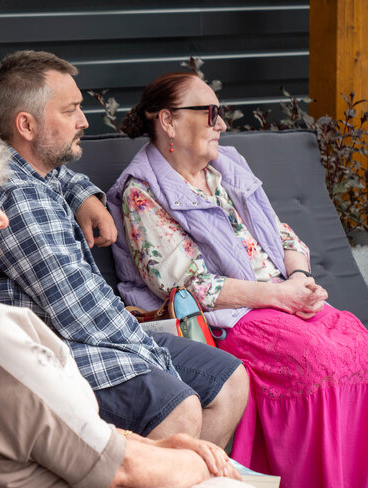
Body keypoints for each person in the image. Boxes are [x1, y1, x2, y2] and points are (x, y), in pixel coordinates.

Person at [0, 115, 248, 488]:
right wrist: (206, 464)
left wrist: (157, 447)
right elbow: (123, 469)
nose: (2, 218)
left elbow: (77, 436)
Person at [106, 72, 368, 488]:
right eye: (210, 113)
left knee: (358, 342)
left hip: (279, 295)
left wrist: (299, 279)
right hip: (224, 317)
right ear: (168, 121)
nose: (222, 124)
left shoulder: (226, 168)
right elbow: (188, 285)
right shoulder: (142, 192)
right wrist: (279, 296)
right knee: (317, 361)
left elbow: (281, 235)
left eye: (220, 113)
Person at [0, 49, 248, 449]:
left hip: (81, 334)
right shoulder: (19, 197)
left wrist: (86, 196)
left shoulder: (32, 166)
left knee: (231, 380)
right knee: (178, 406)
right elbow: (81, 312)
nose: (83, 120)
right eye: (70, 110)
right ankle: (163, 472)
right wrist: (156, 359)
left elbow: (62, 176)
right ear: (27, 125)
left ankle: (186, 473)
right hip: (50, 351)